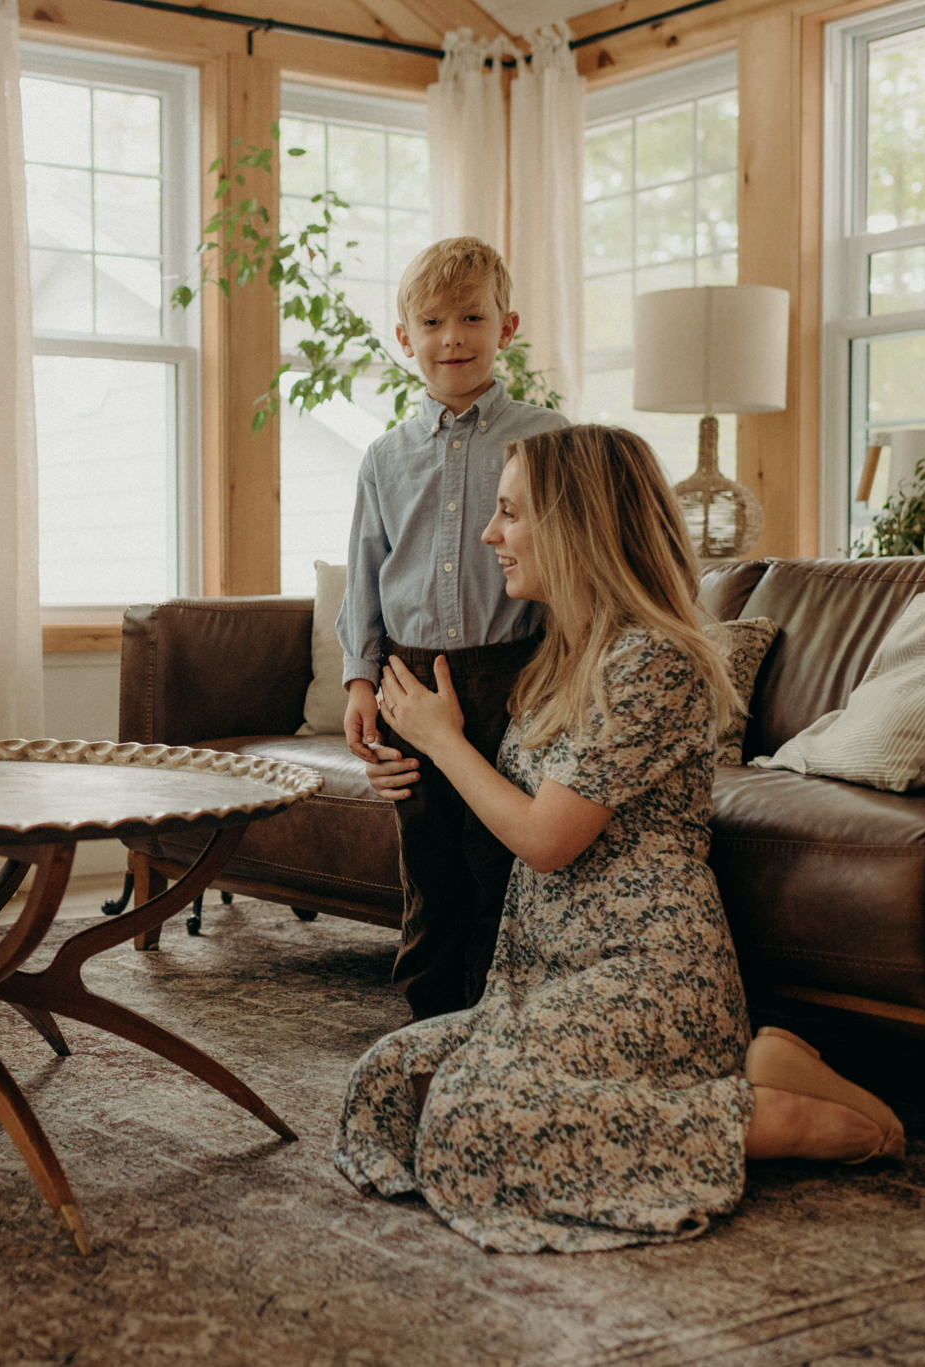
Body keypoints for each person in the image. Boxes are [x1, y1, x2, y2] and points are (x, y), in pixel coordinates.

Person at [332, 424, 907, 1253]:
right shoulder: (557, 657)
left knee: (465, 1123)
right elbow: (495, 798)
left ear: (577, 525)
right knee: (384, 1086)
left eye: (509, 515)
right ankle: (755, 1080)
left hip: (646, 976)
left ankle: (776, 1119)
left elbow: (545, 838)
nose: (491, 535)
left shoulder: (655, 660)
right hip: (545, 975)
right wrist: (416, 755)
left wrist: (447, 739)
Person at [339, 236, 571, 1021]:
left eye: (472, 317)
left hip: (514, 673)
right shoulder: (383, 458)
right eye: (432, 322)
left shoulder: (548, 439)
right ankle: (430, 1017)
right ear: (405, 338)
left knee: (498, 856)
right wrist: (362, 682)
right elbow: (363, 580)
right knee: (429, 857)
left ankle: (500, 1013)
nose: (453, 338)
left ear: (506, 326)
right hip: (408, 678)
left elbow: (571, 569)